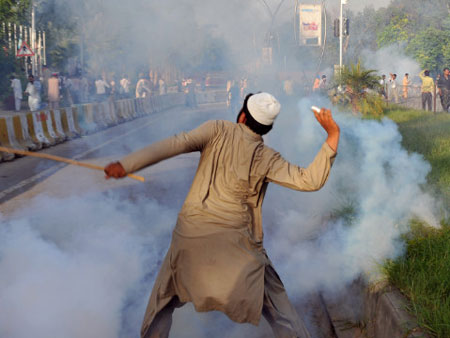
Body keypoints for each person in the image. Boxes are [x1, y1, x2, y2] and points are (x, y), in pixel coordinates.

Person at [104, 92, 340, 338]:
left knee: (161, 303)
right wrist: (332, 134)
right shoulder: (267, 157)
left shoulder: (216, 129)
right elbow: (309, 181)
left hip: (190, 238)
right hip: (240, 248)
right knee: (280, 309)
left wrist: (126, 165)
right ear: (267, 128)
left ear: (241, 116)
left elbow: (176, 143)